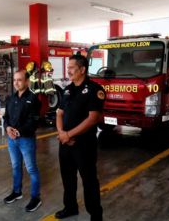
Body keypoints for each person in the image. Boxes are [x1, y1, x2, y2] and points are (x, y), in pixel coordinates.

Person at [55, 55, 105, 221]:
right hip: (65, 143)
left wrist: (68, 134)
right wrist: (62, 133)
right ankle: (70, 208)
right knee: (67, 179)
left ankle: (96, 215)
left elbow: (93, 118)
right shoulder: (68, 89)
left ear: (82, 70)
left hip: (84, 145)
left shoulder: (94, 90)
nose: (68, 70)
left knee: (89, 181)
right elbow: (59, 113)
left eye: (71, 67)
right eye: (67, 67)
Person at [3, 70, 42, 212]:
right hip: (12, 139)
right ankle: (17, 192)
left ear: (27, 81)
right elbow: (6, 117)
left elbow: (34, 121)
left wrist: (19, 131)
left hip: (26, 139)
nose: (16, 83)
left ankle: (35, 197)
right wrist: (7, 129)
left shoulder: (33, 99)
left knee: (31, 168)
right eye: (14, 80)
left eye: (19, 80)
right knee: (15, 166)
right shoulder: (11, 98)